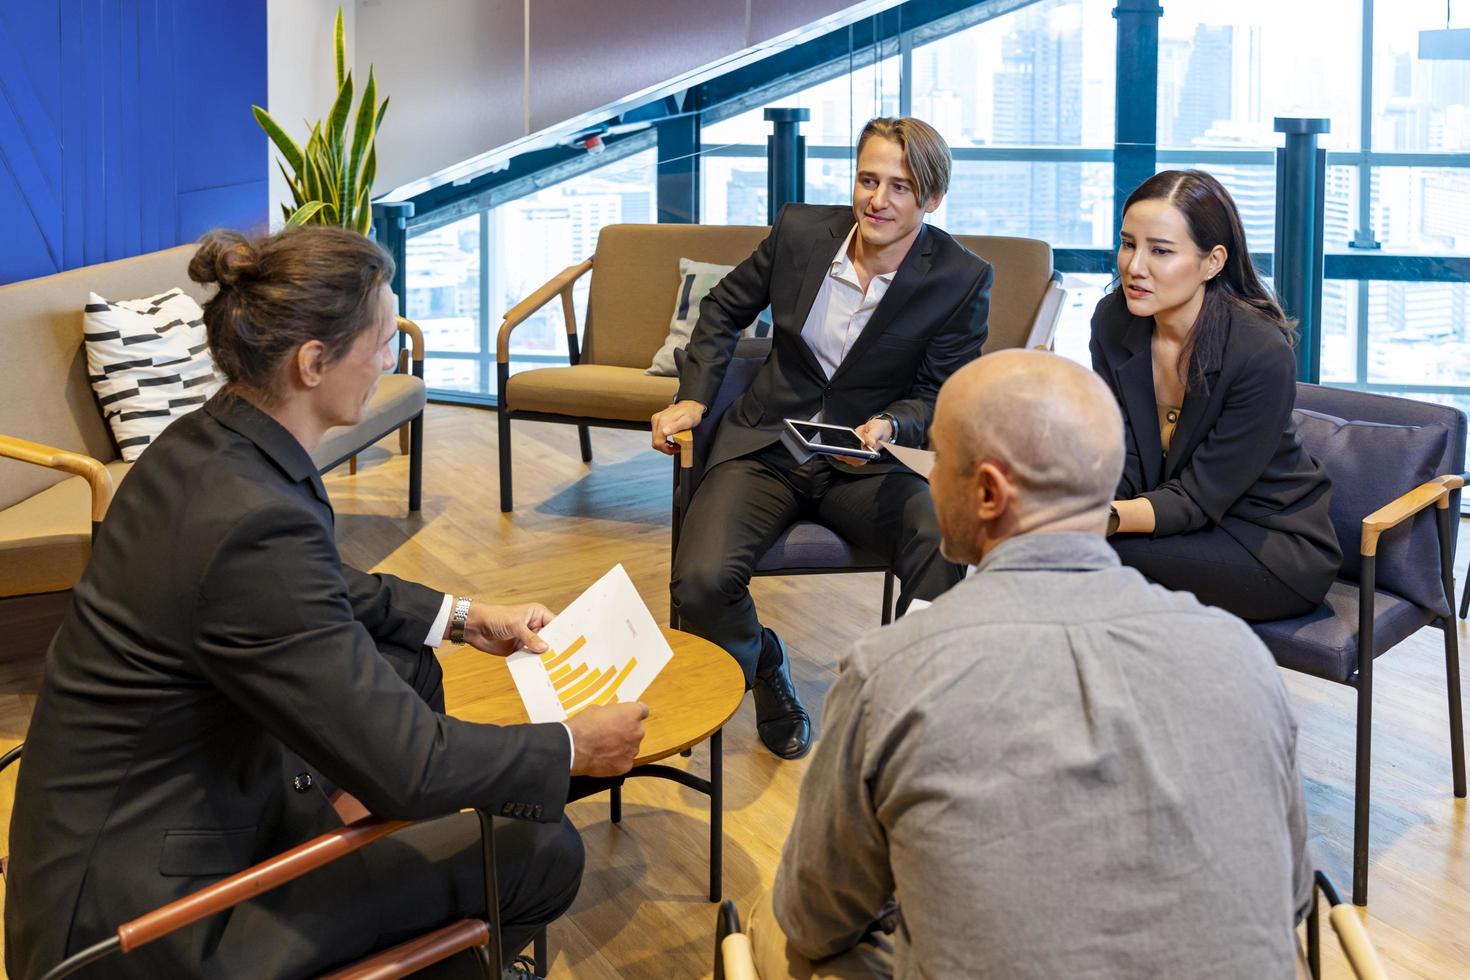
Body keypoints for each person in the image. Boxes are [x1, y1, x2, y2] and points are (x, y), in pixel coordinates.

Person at [4, 226, 648, 979]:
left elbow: (325, 589)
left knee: (407, 667)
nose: (389, 359)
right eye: (380, 341)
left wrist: (468, 619)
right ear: (313, 362)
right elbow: (409, 766)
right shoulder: (251, 517)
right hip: (141, 933)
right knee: (542, 853)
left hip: (119, 840)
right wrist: (570, 746)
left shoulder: (200, 447)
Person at [753, 350, 1312, 979]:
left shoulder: (893, 674)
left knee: (773, 933)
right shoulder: (1240, 655)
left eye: (937, 460)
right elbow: (1292, 898)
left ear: (988, 491)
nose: (929, 481)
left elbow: (816, 919)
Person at [653, 116, 992, 760]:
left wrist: (893, 425)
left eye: (900, 186)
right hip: (766, 445)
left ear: (932, 199)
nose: (878, 200)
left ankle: (915, 711)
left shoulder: (959, 277)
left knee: (940, 535)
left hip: (867, 462)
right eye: (869, 179)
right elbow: (724, 308)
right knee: (699, 581)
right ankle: (765, 664)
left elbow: (941, 389)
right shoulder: (802, 232)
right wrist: (694, 396)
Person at [1091, 169, 1341, 621]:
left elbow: (1201, 496)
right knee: (1058, 545)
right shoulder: (1114, 322)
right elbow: (1122, 454)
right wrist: (1080, 504)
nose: (1134, 266)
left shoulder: (1258, 351)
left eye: (1160, 251)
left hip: (1267, 544)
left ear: (1213, 261)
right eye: (1128, 244)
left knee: (1083, 559)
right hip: (1172, 522)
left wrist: (1102, 518)